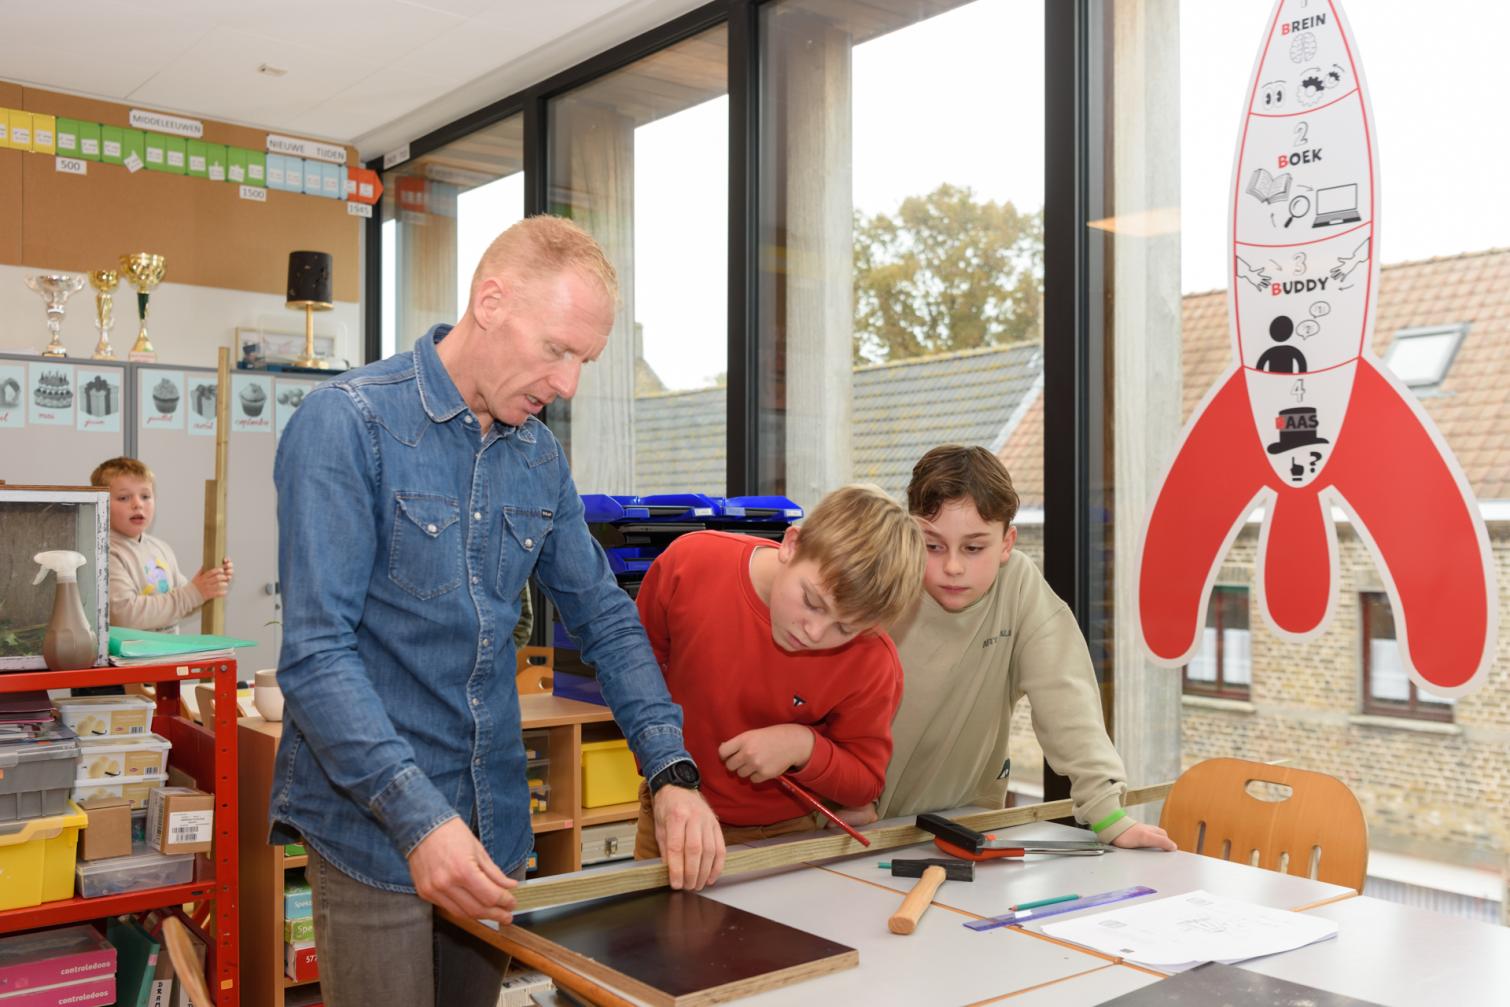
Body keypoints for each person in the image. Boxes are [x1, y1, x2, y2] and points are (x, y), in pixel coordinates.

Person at [272, 215, 724, 1007]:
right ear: (490, 302)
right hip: (373, 834)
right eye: (557, 349)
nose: (568, 383)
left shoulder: (538, 454)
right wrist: (420, 817)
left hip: (495, 828)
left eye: (584, 360)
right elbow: (316, 656)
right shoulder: (347, 423)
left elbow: (605, 618)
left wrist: (671, 769)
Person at [873, 445, 1176, 851]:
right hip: (854, 825)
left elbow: (1066, 697)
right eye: (933, 546)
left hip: (960, 825)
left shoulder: (1018, 586)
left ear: (1006, 543)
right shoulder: (882, 583)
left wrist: (1108, 815)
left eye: (973, 548)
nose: (953, 567)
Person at [631, 484, 927, 857]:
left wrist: (803, 746)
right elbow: (634, 676)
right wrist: (666, 777)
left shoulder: (872, 658)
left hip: (785, 833)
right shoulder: (690, 564)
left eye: (845, 628)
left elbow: (865, 782)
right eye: (812, 602)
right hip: (672, 810)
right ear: (791, 545)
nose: (815, 632)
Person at [91, 456, 233, 631]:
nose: (137, 504)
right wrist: (195, 593)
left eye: (145, 496)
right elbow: (125, 615)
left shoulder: (161, 549)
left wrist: (208, 583)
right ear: (100, 502)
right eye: (124, 498)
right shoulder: (104, 551)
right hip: (129, 649)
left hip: (166, 649)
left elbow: (184, 603)